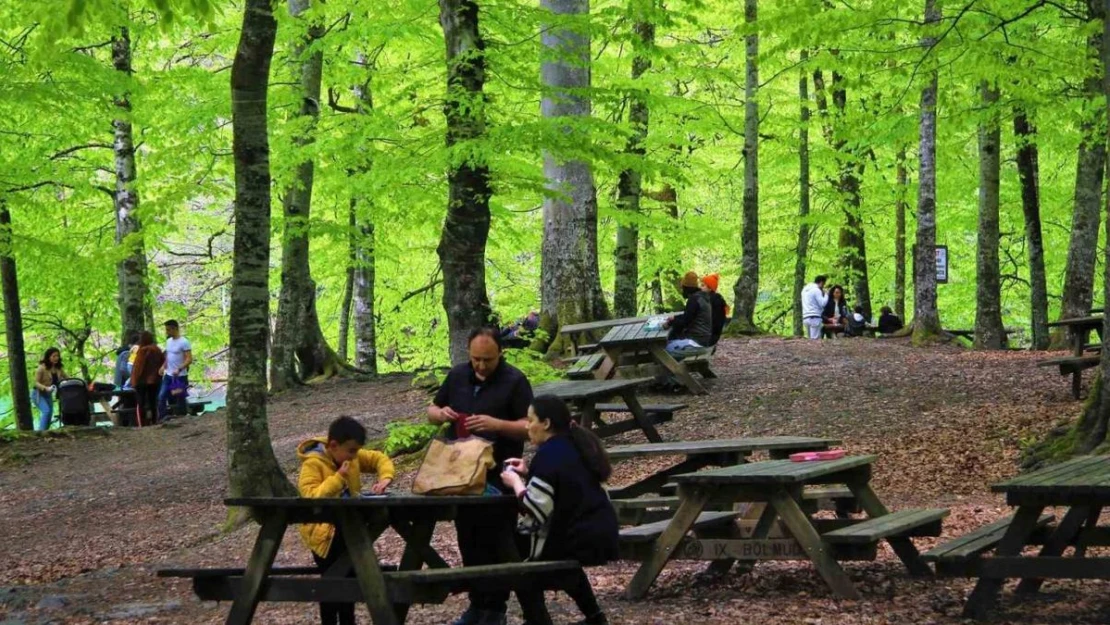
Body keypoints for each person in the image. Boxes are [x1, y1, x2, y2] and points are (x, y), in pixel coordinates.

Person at [427, 327, 534, 625]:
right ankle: (477, 605)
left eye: (487, 359)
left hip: (499, 474)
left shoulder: (515, 381)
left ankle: (495, 610)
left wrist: (496, 424)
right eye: (476, 359)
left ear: (500, 353)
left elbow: (530, 426)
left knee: (499, 540)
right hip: (460, 473)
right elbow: (431, 408)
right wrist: (440, 415)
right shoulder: (458, 375)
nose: (481, 365)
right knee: (468, 538)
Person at [501, 395, 619, 625]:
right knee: (535, 551)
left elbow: (535, 508)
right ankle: (594, 616)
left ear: (545, 423)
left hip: (578, 537)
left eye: (530, 419)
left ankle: (535, 618)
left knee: (511, 550)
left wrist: (516, 483)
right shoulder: (572, 445)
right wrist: (529, 473)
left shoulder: (548, 455)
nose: (527, 426)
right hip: (600, 532)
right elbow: (563, 485)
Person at [297, 416, 395, 625]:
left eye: (356, 451)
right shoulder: (313, 464)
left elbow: (379, 458)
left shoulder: (352, 456)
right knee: (332, 582)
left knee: (350, 580)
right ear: (333, 445)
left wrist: (385, 477)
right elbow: (311, 498)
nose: (355, 456)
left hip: (349, 530)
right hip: (324, 536)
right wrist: (339, 478)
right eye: (351, 451)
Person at [663, 271, 713, 357]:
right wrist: (675, 318)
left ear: (687, 288)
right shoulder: (701, 298)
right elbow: (688, 316)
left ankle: (678, 370)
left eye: (682, 288)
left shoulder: (694, 300)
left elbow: (685, 322)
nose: (681, 291)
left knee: (665, 351)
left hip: (698, 342)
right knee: (671, 342)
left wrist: (670, 322)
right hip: (704, 339)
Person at [157, 319, 193, 421]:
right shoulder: (168, 341)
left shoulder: (184, 342)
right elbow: (168, 356)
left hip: (180, 376)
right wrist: (163, 366)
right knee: (161, 396)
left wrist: (179, 368)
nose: (167, 332)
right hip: (168, 375)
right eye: (166, 330)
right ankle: (162, 418)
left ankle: (182, 418)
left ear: (175, 329)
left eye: (168, 330)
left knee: (180, 398)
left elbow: (189, 359)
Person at [130, 331, 164, 427]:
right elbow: (163, 362)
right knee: (153, 401)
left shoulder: (143, 350)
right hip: (155, 381)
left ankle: (142, 423)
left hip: (142, 381)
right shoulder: (157, 349)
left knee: (141, 403)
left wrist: (134, 381)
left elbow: (138, 367)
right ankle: (154, 421)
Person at [32, 348, 66, 431]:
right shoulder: (41, 368)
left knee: (49, 414)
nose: (56, 358)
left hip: (48, 395)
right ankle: (41, 434)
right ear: (48, 357)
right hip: (38, 394)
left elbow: (67, 378)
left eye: (57, 356)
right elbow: (36, 382)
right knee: (46, 411)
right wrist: (45, 388)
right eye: (53, 356)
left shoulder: (59, 369)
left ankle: (46, 433)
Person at [700, 273, 730, 346]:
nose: (700, 287)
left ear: (710, 288)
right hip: (713, 335)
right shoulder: (717, 298)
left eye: (703, 285)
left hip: (709, 336)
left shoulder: (711, 300)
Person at [800, 275, 829, 340]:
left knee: (810, 340)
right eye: (824, 284)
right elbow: (823, 303)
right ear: (821, 282)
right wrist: (826, 294)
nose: (823, 286)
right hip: (815, 317)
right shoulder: (816, 290)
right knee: (815, 341)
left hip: (805, 317)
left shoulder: (804, 290)